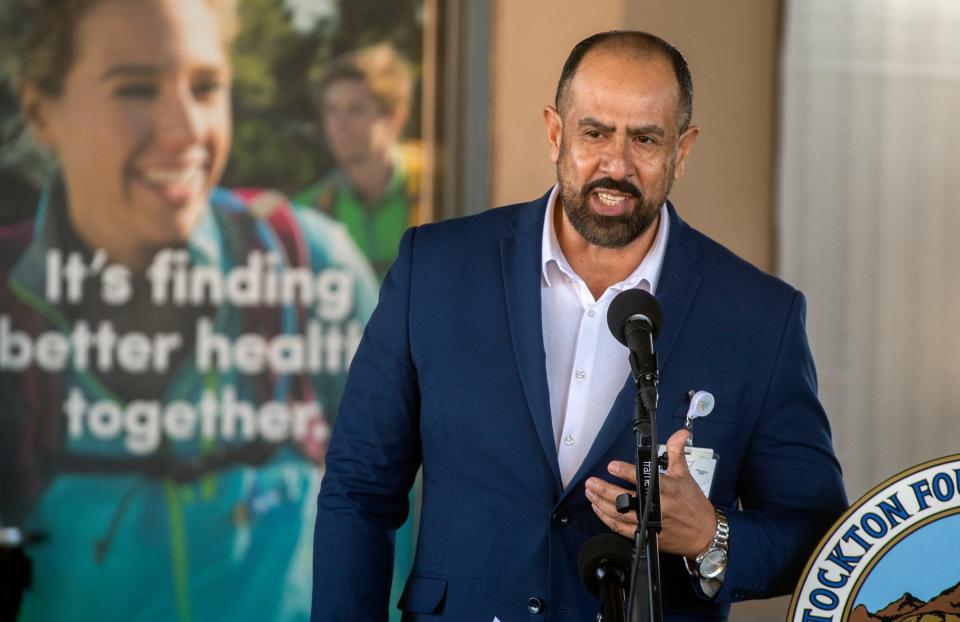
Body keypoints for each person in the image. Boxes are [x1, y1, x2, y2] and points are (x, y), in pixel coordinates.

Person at [312, 30, 848, 621]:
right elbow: (359, 492)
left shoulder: (758, 316)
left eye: (646, 138)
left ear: (683, 149)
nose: (615, 165)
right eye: (595, 132)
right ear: (555, 132)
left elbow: (818, 535)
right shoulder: (436, 269)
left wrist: (710, 535)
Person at [0, 0, 377, 620]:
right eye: (136, 89)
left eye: (206, 87)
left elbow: (414, 541)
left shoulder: (312, 271)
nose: (185, 130)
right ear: (42, 111)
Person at [297, 43, 421, 280]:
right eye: (331, 110)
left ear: (395, 117)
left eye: (355, 110)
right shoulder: (309, 211)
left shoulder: (438, 185)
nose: (339, 124)